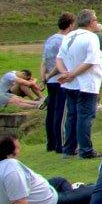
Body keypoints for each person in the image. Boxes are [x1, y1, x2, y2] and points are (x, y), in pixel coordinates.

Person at [56, 9, 102, 159]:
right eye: (95, 20)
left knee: (72, 115)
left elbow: (59, 58)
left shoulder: (69, 36)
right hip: (86, 83)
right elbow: (91, 61)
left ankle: (69, 148)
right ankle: (86, 150)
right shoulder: (91, 37)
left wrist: (64, 73)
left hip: (71, 85)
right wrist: (71, 74)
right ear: (91, 22)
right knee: (85, 117)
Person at [40, 12, 75, 153]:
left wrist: (44, 78)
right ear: (71, 25)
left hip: (50, 81)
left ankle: (51, 143)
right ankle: (60, 145)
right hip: (59, 80)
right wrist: (52, 74)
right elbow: (60, 61)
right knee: (60, 114)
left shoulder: (49, 40)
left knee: (51, 112)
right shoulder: (66, 40)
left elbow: (43, 62)